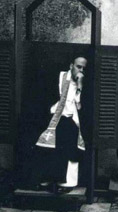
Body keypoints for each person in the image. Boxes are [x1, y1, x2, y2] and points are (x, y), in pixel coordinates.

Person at [30, 57, 88, 193]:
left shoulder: (84, 82)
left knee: (72, 150)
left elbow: (81, 105)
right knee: (46, 148)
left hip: (72, 120)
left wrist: (80, 85)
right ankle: (46, 180)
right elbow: (43, 95)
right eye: (78, 67)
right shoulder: (58, 77)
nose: (81, 70)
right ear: (71, 65)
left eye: (83, 68)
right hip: (52, 118)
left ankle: (68, 183)